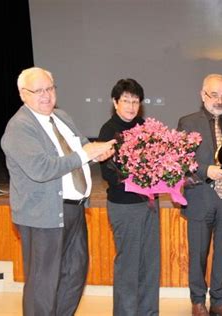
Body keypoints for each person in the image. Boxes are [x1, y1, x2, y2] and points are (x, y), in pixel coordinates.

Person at [1, 67, 116, 315]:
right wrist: (84, 154)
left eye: (50, 88)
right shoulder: (19, 127)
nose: (46, 95)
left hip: (73, 210)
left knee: (74, 273)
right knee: (43, 283)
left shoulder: (62, 116)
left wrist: (97, 154)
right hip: (42, 216)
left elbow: (81, 148)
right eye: (38, 90)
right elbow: (42, 169)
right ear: (23, 94)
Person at [177, 74, 222, 316]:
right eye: (214, 94)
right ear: (203, 95)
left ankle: (219, 301)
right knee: (198, 254)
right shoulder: (187, 123)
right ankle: (198, 302)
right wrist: (204, 170)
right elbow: (180, 160)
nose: (219, 100)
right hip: (201, 198)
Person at [98, 78, 160, 316]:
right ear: (115, 102)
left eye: (136, 101)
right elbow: (109, 173)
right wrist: (139, 175)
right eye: (126, 100)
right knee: (128, 266)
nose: (131, 106)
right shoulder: (108, 130)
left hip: (149, 204)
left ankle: (149, 312)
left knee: (150, 264)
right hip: (124, 206)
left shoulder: (145, 127)